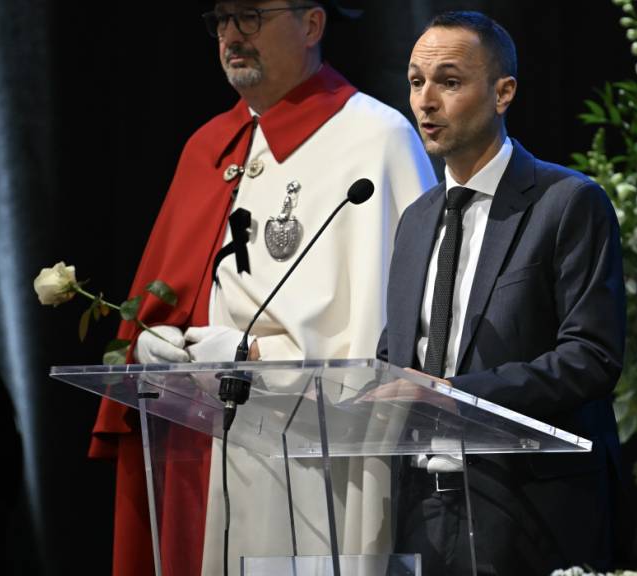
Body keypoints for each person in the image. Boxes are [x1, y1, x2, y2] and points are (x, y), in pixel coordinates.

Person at [89, 1, 436, 575]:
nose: (230, 35)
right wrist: (157, 347)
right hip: (202, 444)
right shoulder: (210, 145)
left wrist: (255, 359)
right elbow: (171, 289)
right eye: (220, 20)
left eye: (249, 16)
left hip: (313, 456)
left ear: (312, 25)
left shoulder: (376, 138)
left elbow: (396, 339)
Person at [374, 11, 629, 575]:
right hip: (421, 508)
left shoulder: (567, 202)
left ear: (503, 92)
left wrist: (456, 396)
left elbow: (591, 356)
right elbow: (400, 353)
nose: (426, 101)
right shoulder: (416, 221)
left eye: (449, 81)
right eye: (416, 82)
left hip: (527, 510)